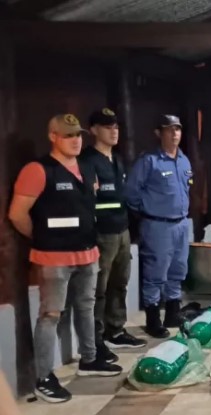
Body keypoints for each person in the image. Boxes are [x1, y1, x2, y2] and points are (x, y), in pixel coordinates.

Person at [8, 114, 122, 404]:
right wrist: (43, 236)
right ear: (53, 136)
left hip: (88, 252)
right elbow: (17, 214)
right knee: (51, 315)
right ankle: (44, 377)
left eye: (78, 135)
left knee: (86, 306)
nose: (75, 140)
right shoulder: (38, 170)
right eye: (68, 135)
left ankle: (90, 358)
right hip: (53, 256)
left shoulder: (86, 167)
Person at [80, 108, 147, 363]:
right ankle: (96, 339)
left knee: (120, 282)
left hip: (122, 229)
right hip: (102, 232)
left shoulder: (117, 160)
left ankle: (115, 329)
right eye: (107, 127)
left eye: (116, 126)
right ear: (94, 130)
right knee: (99, 288)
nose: (114, 131)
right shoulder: (88, 161)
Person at [125, 115, 192, 339]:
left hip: (181, 224)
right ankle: (153, 320)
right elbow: (131, 193)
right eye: (169, 129)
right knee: (155, 274)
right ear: (158, 133)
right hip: (158, 225)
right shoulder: (149, 161)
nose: (174, 134)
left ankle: (172, 314)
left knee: (178, 271)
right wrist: (148, 211)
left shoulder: (184, 160)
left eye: (177, 129)